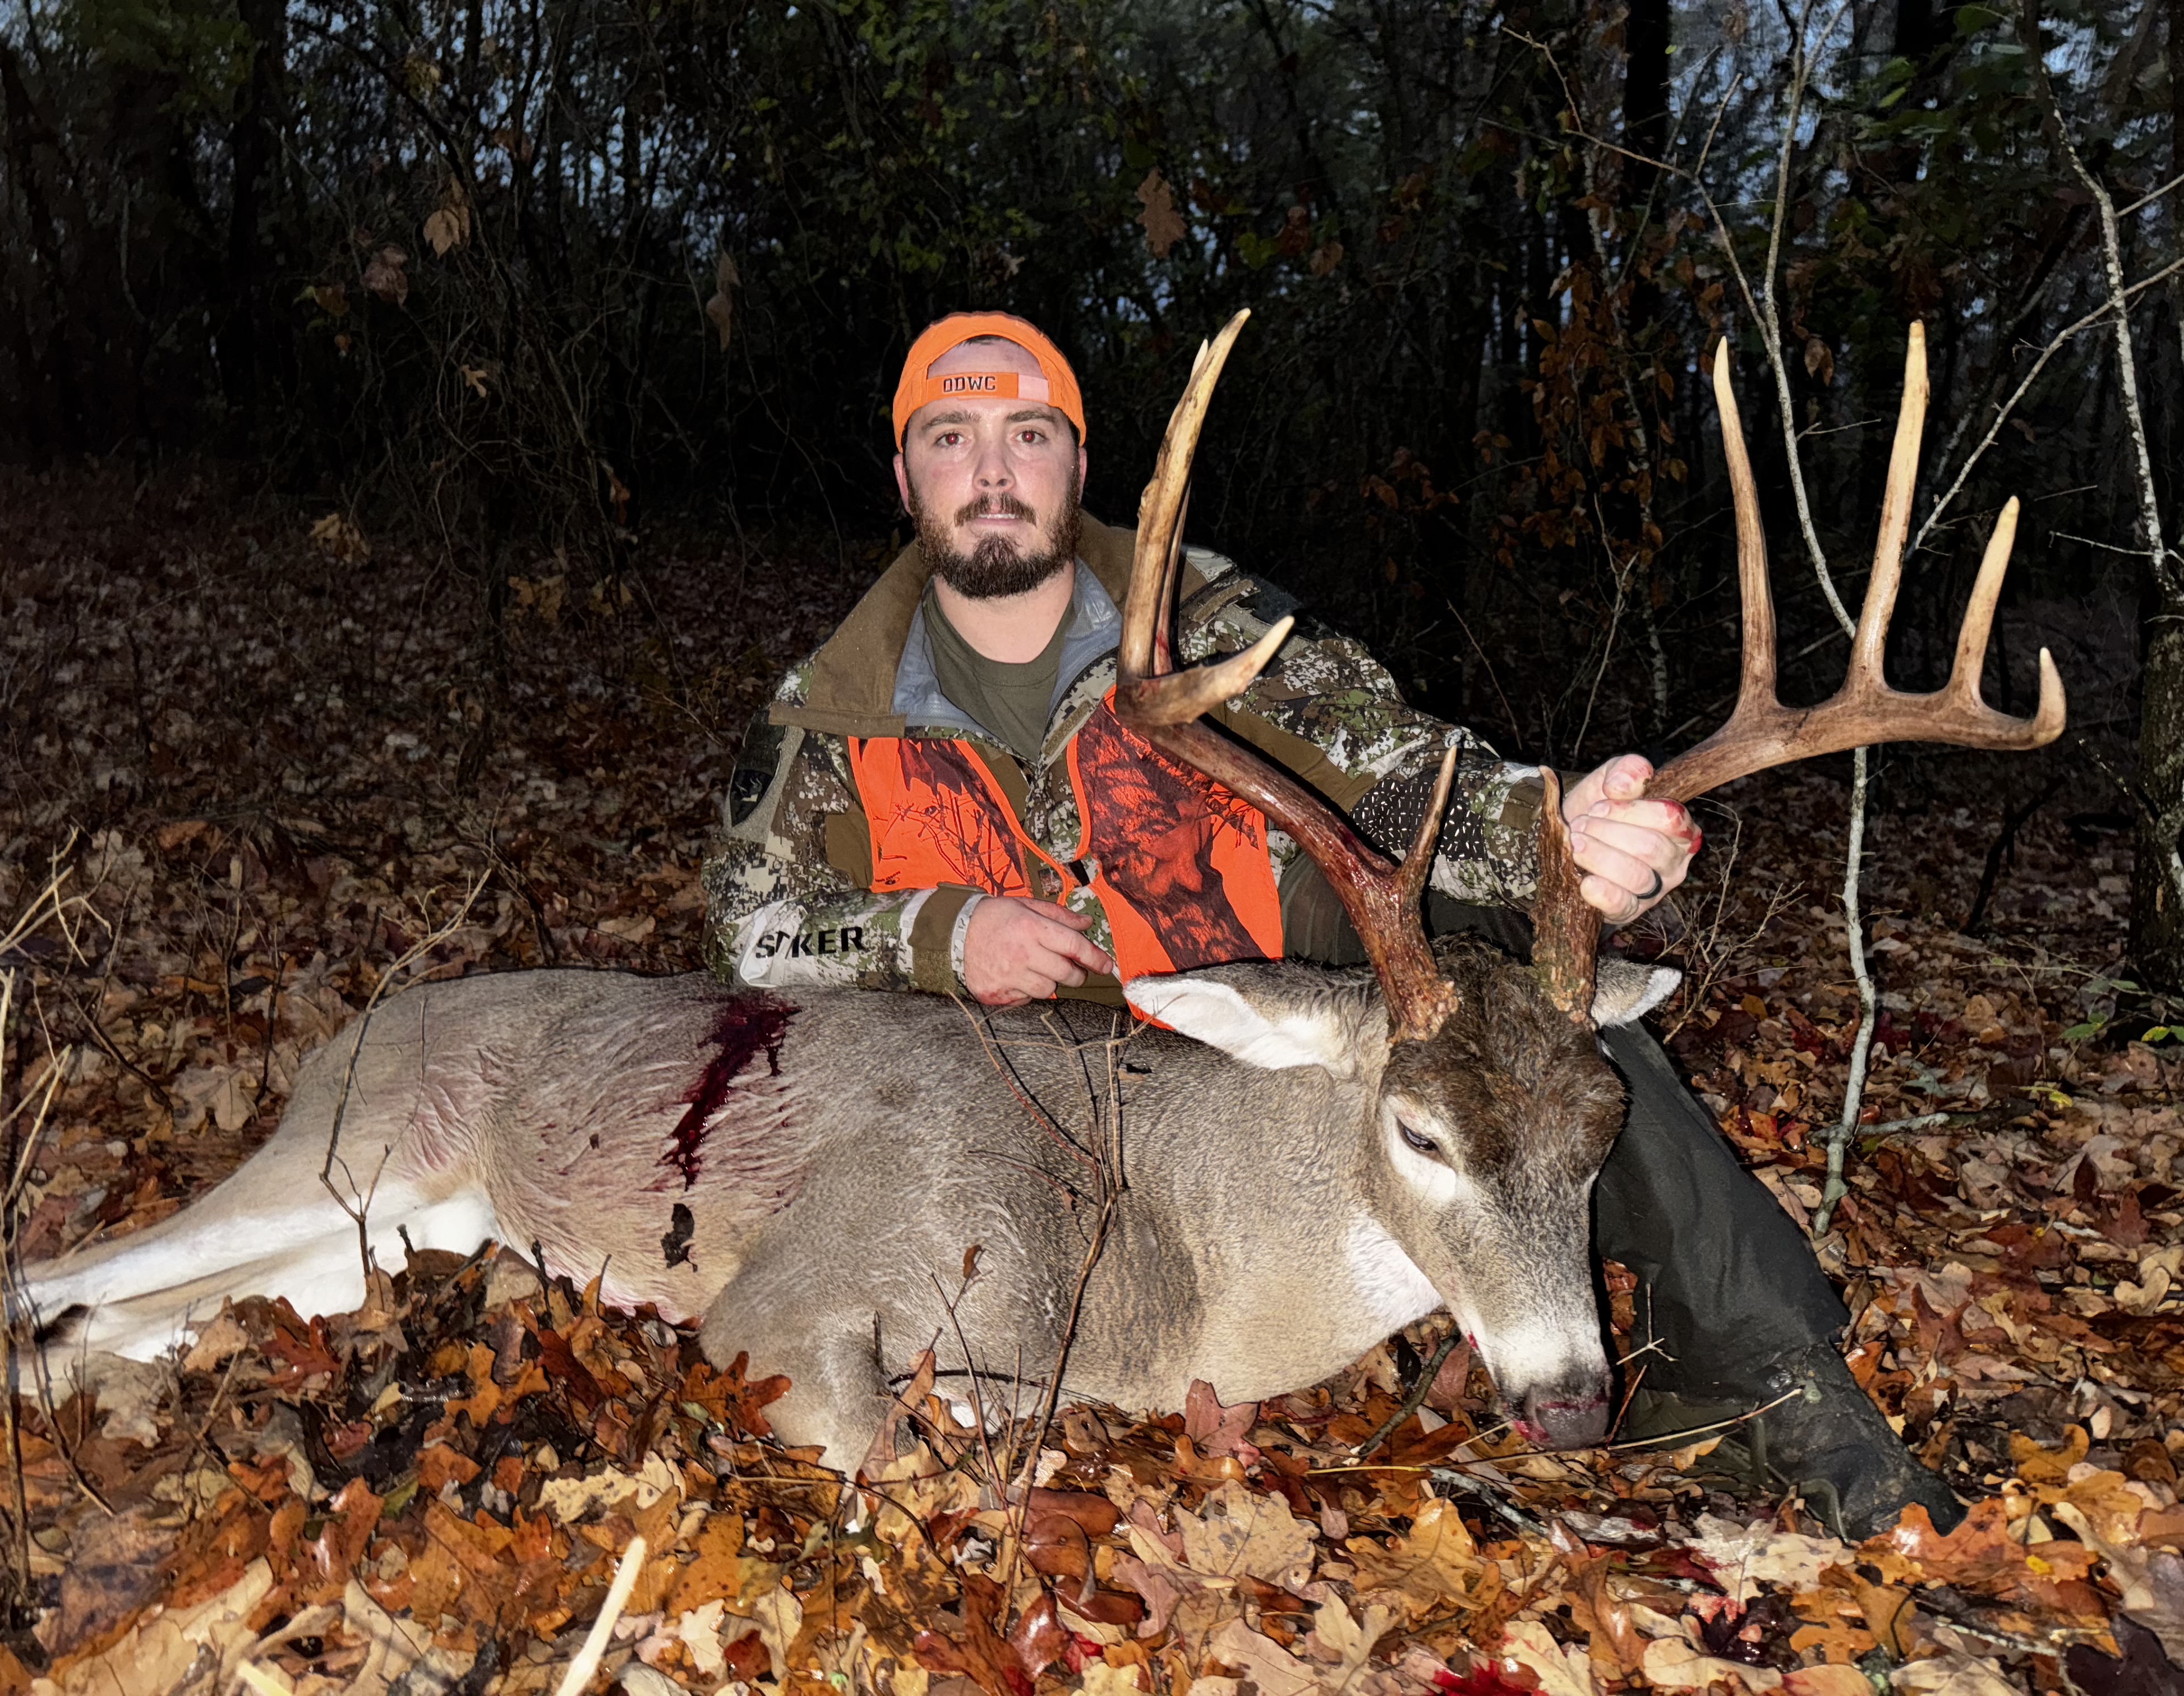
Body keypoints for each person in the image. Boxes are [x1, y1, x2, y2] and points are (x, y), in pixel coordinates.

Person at [701, 311, 1964, 1538]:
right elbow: (749, 933)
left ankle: (1766, 1368)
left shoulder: (1215, 624)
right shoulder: (827, 712)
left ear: (1078, 467)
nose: (991, 471)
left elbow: (1402, 774)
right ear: (905, 478)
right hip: (1006, 1087)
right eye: (951, 437)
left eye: (1028, 435)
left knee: (1519, 978)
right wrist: (941, 933)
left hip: (1276, 987)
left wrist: (1559, 835)